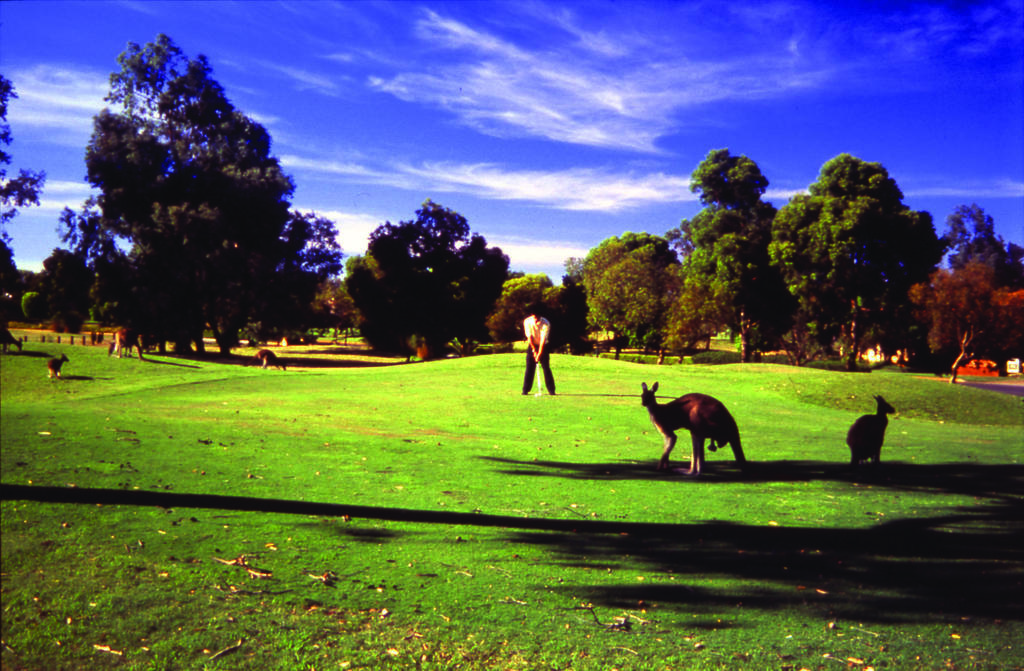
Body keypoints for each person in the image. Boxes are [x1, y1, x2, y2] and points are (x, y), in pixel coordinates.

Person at [522, 304, 555, 395]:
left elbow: (543, 340)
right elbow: (529, 338)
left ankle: (551, 390)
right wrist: (533, 350)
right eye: (534, 316)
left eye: (537, 316)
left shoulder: (546, 323)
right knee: (529, 368)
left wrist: (539, 354)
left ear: (540, 316)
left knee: (546, 368)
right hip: (532, 345)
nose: (535, 318)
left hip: (543, 346)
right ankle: (525, 390)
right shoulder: (527, 322)